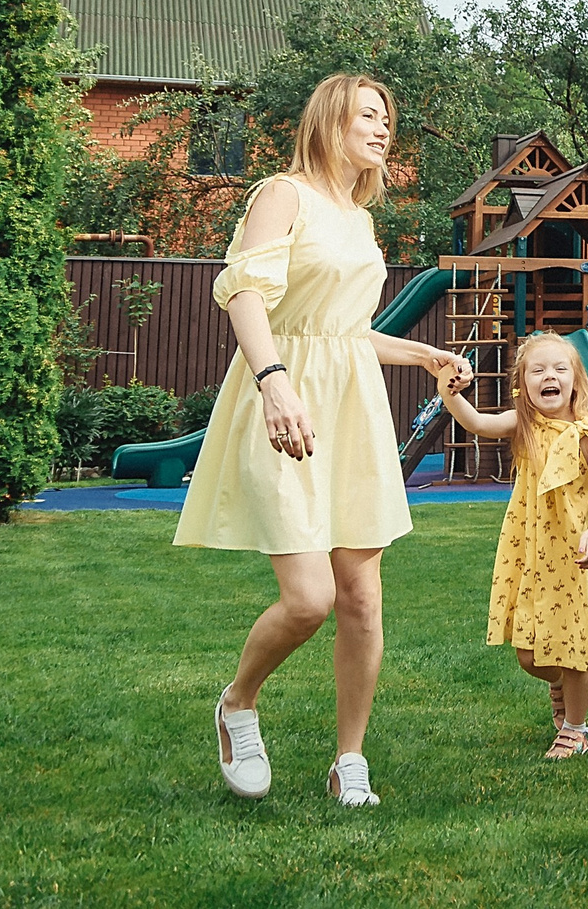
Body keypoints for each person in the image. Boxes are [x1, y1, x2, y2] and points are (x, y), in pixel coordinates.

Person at [177, 73, 472, 808]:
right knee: (309, 598)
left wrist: (424, 356)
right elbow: (246, 293)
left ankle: (350, 759)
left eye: (387, 119)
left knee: (363, 601)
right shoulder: (283, 193)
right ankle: (238, 701)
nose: (382, 129)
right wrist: (273, 380)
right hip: (285, 396)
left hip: (351, 408)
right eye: (368, 115)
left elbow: (345, 330)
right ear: (331, 120)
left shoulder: (361, 219)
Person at [433, 331, 588, 758]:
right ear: (523, 382)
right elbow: (475, 422)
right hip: (531, 548)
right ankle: (559, 686)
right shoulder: (523, 423)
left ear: (576, 381)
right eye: (538, 369)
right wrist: (448, 392)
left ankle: (576, 729)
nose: (549, 376)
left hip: (579, 551)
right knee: (529, 654)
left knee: (577, 648)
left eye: (559, 368)